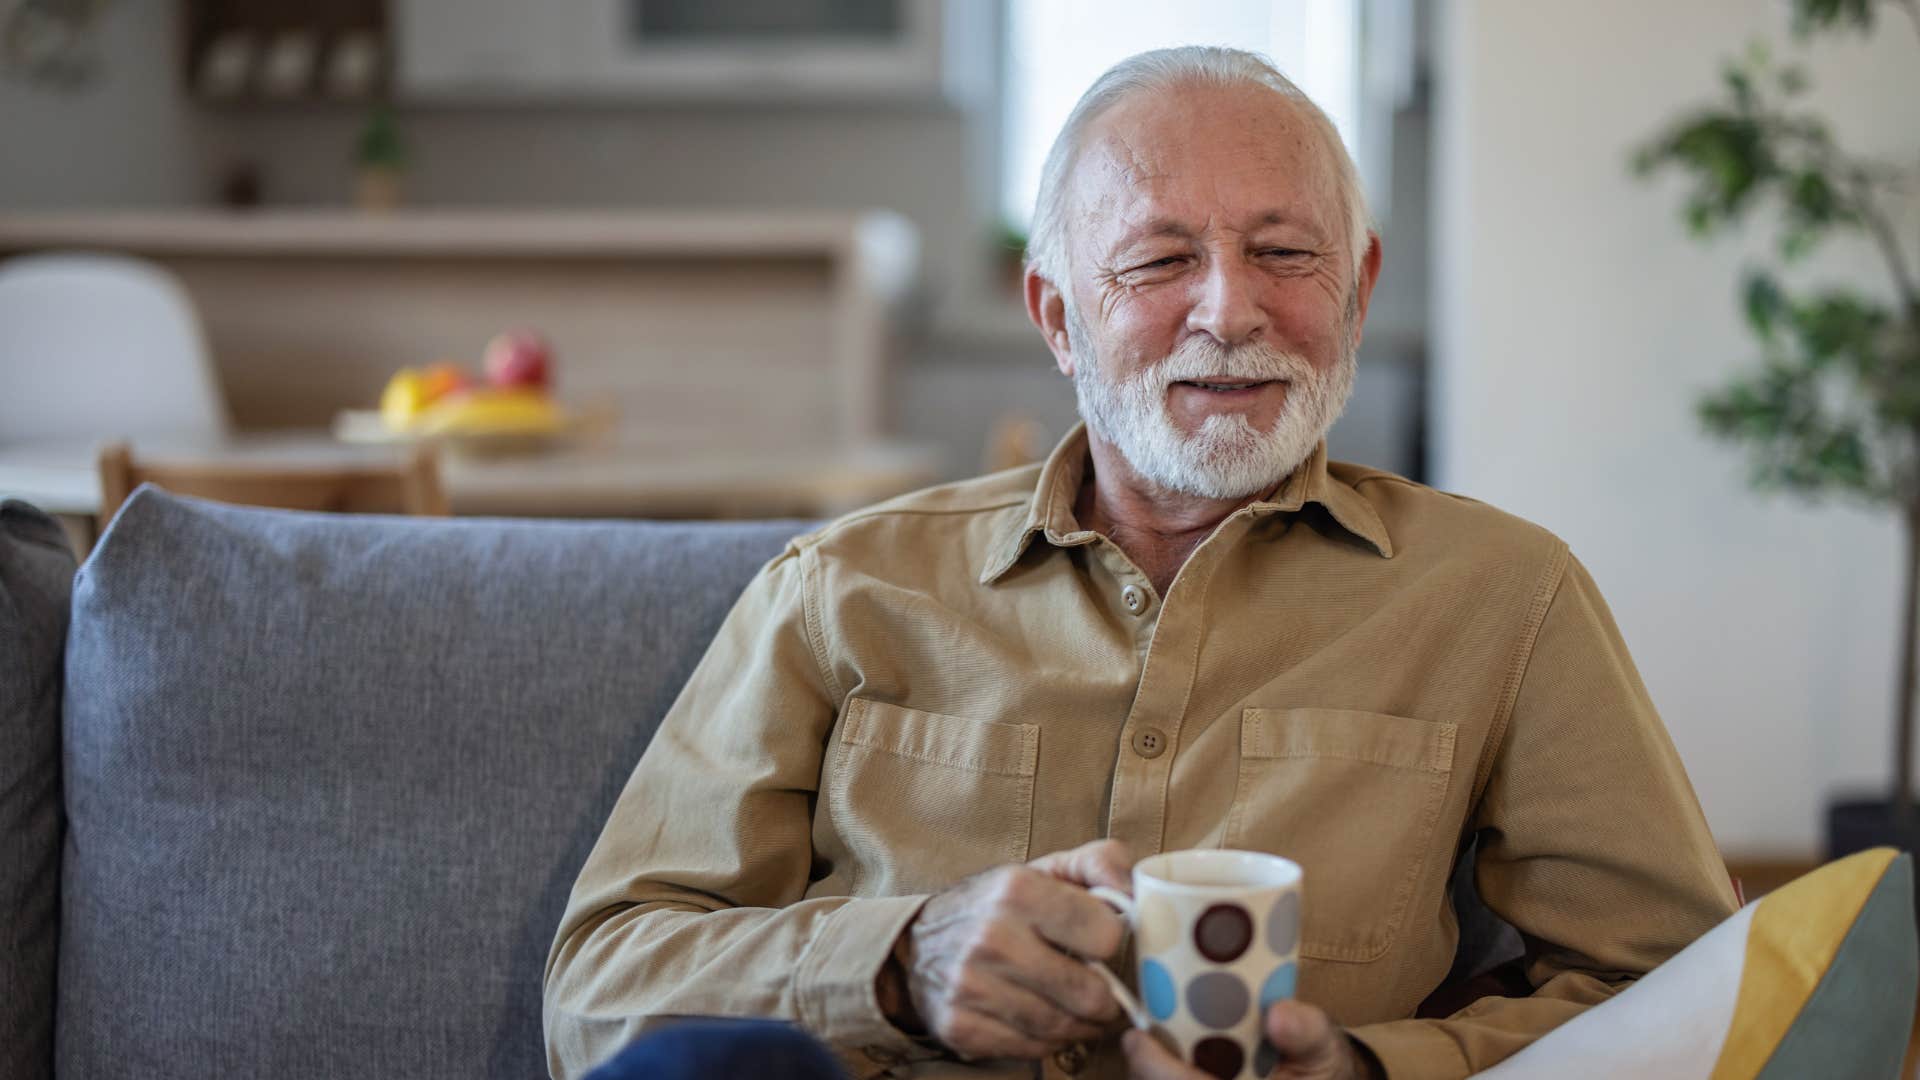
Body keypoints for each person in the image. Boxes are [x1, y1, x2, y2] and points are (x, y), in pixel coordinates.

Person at [544, 46, 1737, 1080]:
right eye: (1160, 261)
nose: (1229, 310)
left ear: (1359, 292)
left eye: (1284, 252)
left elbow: (1688, 994)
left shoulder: (1505, 597)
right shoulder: (841, 587)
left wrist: (1372, 1068)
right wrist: (898, 964)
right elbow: (598, 991)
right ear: (1058, 317)